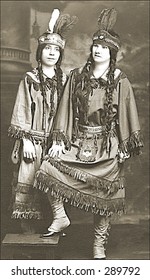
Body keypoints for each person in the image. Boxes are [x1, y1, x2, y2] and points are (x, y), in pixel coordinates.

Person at [33, 8, 143, 259]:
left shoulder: (119, 79)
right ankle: (60, 217)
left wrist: (125, 146)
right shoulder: (76, 77)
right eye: (95, 46)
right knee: (47, 167)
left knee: (105, 196)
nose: (97, 50)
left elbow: (127, 113)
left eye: (103, 48)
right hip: (78, 141)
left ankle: (98, 244)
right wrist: (59, 140)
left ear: (112, 52)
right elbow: (65, 110)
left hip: (108, 145)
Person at [8, 9, 78, 226]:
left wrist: (60, 141)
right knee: (28, 179)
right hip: (34, 140)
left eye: (56, 49)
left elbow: (70, 114)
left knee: (55, 183)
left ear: (60, 54)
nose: (51, 53)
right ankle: (28, 233)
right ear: (40, 52)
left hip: (56, 144)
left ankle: (57, 226)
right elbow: (22, 109)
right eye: (47, 48)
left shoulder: (66, 81)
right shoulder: (29, 79)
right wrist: (25, 139)